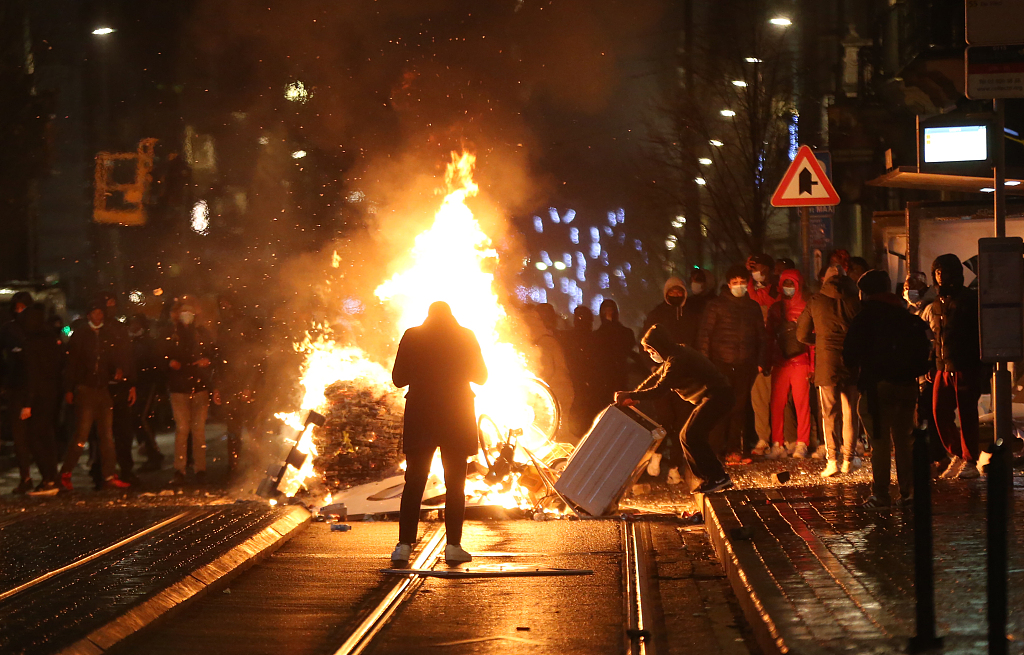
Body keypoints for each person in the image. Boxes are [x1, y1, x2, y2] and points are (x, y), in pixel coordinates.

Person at [391, 301, 487, 565]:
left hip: (421, 415)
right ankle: (453, 546)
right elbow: (481, 376)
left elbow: (398, 379)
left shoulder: (412, 335)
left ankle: (403, 546)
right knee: (456, 484)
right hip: (456, 416)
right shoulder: (465, 335)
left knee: (414, 482)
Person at [844, 270, 930, 508]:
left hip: (876, 386)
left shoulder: (865, 318)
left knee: (880, 442)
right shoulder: (904, 315)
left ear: (866, 292)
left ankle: (881, 494)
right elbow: (923, 348)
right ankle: (909, 492)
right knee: (904, 440)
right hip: (906, 386)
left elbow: (849, 355)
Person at [614, 324, 735, 494]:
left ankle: (717, 477)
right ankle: (710, 478)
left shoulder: (677, 360)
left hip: (718, 396)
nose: (650, 354)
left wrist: (633, 396)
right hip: (713, 397)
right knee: (687, 435)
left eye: (650, 350)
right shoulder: (674, 355)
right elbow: (654, 379)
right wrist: (633, 395)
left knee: (692, 434)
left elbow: (660, 389)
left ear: (658, 346)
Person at [59, 298, 134, 491]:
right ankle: (66, 473)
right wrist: (69, 388)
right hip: (86, 389)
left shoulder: (106, 334)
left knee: (106, 435)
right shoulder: (82, 335)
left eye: (101, 313)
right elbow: (72, 364)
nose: (99, 316)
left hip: (102, 388)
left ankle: (109, 475)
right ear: (89, 315)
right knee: (82, 434)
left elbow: (115, 356)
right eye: (95, 313)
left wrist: (117, 369)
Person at [797, 264, 861, 477]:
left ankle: (832, 460)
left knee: (829, 413)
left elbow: (801, 334)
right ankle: (849, 460)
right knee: (850, 411)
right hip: (852, 359)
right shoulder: (856, 300)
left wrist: (821, 341)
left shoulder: (816, 300)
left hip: (826, 362)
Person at [697, 265, 765, 459]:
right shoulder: (716, 305)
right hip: (721, 364)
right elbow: (705, 335)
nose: (739, 286)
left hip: (745, 365)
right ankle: (715, 450)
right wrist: (705, 364)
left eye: (742, 282)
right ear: (728, 284)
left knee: (739, 409)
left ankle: (735, 450)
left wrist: (760, 361)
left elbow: (762, 336)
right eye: (735, 283)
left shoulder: (752, 307)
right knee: (720, 408)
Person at [928, 254, 986, 479]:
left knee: (967, 413)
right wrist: (934, 363)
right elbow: (938, 335)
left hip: (965, 364)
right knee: (939, 411)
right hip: (943, 366)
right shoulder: (936, 302)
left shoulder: (968, 300)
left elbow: (975, 334)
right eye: (938, 272)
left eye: (944, 271)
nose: (941, 277)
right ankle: (960, 454)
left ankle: (969, 459)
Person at [163, 297, 219, 485]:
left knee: (198, 430)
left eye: (190, 313)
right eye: (183, 313)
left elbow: (213, 353)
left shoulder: (201, 333)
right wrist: (169, 362)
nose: (187, 316)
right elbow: (160, 354)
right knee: (182, 429)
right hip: (179, 388)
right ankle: (179, 469)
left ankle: (200, 469)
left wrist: (207, 361)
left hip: (199, 388)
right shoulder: (172, 333)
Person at [759, 269, 813, 459]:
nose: (788, 288)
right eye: (785, 284)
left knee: (802, 404)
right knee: (776, 404)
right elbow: (768, 337)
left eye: (792, 284)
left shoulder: (807, 307)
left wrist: (812, 366)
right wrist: (766, 361)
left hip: (800, 362)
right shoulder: (776, 309)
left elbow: (812, 340)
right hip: (781, 363)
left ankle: (802, 443)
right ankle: (777, 443)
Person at [217, 297, 265, 473]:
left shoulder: (248, 326)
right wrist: (218, 386)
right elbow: (219, 359)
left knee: (253, 427)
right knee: (233, 429)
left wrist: (249, 386)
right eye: (222, 305)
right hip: (230, 386)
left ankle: (256, 465)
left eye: (227, 304)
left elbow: (256, 359)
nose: (224, 308)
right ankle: (234, 466)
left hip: (247, 385)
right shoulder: (222, 328)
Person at [2, 292, 35, 493]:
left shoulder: (34, 330)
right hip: (17, 389)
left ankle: (45, 477)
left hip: (31, 389)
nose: (19, 311)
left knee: (36, 436)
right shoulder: (10, 330)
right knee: (20, 437)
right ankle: (27, 476)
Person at [746, 254, 779, 455]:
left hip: (777, 351)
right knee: (758, 397)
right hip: (758, 351)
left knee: (780, 398)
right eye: (753, 269)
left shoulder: (777, 289)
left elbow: (771, 302)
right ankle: (763, 438)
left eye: (760, 268)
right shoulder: (750, 290)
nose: (757, 273)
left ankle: (781, 438)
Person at [524, 305, 574, 433]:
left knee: (558, 431)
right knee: (561, 429)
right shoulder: (549, 339)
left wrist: (532, 391)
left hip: (558, 393)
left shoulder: (545, 342)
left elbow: (547, 371)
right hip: (562, 391)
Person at [128, 314, 165, 470]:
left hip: (148, 384)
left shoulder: (148, 343)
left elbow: (156, 364)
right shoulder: (130, 342)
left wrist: (159, 387)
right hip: (137, 384)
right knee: (138, 419)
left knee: (144, 418)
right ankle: (148, 448)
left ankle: (153, 453)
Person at [560, 306, 601, 438]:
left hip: (588, 384)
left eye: (583, 317)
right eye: (578, 317)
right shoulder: (569, 337)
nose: (580, 320)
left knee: (586, 418)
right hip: (577, 382)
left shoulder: (594, 339)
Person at [592, 299, 637, 407]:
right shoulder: (597, 335)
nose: (608, 313)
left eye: (610, 310)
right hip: (605, 378)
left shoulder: (625, 333)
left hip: (621, 376)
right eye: (606, 311)